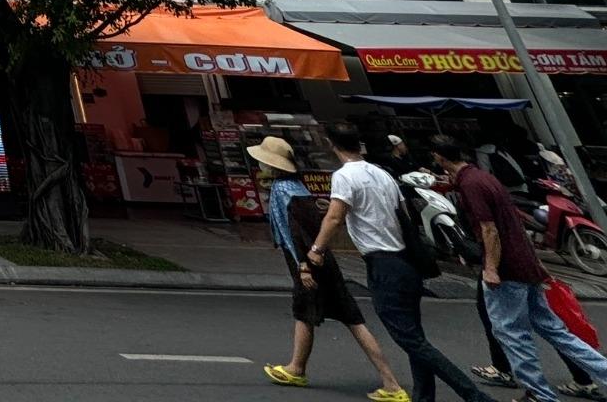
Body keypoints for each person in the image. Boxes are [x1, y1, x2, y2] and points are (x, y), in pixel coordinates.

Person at [308, 121, 499, 402]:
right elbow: (402, 214)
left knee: (410, 340)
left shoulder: (344, 176)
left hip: (384, 264)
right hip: (405, 261)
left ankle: (475, 396)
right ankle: (424, 396)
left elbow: (335, 217)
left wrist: (317, 250)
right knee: (414, 336)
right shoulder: (382, 174)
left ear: (331, 144)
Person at [434, 137, 607, 402]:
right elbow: (512, 222)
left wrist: (491, 268)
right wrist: (534, 263)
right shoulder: (484, 178)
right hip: (523, 264)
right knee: (555, 331)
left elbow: (489, 229)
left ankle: (539, 394)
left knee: (512, 333)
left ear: (440, 157)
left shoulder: (471, 185)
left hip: (507, 269)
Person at [248, 134, 408, 398]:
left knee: (321, 313)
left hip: (308, 262)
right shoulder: (296, 188)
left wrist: (303, 265)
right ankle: (298, 368)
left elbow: (296, 233)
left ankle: (390, 384)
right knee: (329, 315)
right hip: (318, 260)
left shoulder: (284, 191)